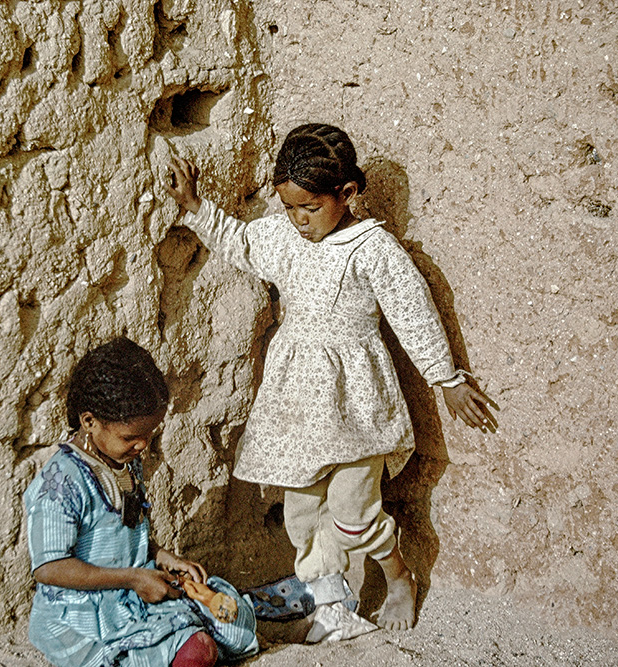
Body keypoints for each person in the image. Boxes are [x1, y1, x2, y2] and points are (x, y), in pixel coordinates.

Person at [163, 123, 497, 639]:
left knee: (353, 510)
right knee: (301, 512)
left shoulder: (373, 248)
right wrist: (195, 207)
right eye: (290, 207)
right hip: (297, 400)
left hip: (356, 400)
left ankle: (397, 574)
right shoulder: (282, 236)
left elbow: (413, 312)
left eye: (310, 208)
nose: (298, 220)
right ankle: (331, 604)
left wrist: (444, 378)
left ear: (346, 194)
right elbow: (240, 243)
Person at [24, 337, 259, 666]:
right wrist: (132, 578)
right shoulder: (61, 483)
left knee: (230, 621)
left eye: (149, 435)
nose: (142, 446)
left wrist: (163, 557)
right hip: (83, 611)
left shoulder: (125, 464)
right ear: (89, 421)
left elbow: (123, 535)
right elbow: (49, 568)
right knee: (194, 648)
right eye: (130, 437)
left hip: (133, 588)